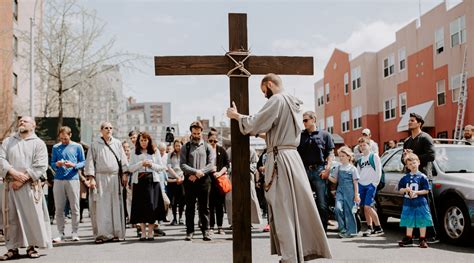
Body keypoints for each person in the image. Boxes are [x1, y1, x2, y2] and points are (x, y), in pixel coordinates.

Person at [226, 73, 332, 261]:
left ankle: (290, 256)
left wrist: (236, 116)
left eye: (264, 91)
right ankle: (296, 252)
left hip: (280, 160)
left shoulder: (277, 99)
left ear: (269, 84)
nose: (264, 95)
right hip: (292, 158)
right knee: (294, 208)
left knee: (282, 208)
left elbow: (256, 122)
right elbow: (275, 132)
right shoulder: (294, 103)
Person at [0, 116, 52, 260]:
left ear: (33, 125)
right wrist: (13, 173)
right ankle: (12, 248)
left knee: (32, 217)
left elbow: (41, 164)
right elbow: (1, 158)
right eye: (20, 121)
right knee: (11, 218)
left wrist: (23, 179)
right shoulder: (8, 141)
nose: (21, 122)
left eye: (25, 121)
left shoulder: (38, 143)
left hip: (29, 186)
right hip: (10, 185)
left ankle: (32, 246)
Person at [84, 121, 128, 244]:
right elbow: (90, 161)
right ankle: (102, 234)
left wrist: (124, 174)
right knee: (101, 207)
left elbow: (123, 160)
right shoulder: (94, 144)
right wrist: (91, 178)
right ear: (101, 130)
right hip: (100, 178)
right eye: (106, 128)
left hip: (115, 178)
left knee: (115, 205)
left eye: (110, 128)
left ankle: (116, 233)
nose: (109, 130)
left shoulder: (117, 143)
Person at [401, 112, 438, 243]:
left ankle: (430, 235)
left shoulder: (426, 137)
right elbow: (403, 160)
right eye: (409, 120)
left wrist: (414, 157)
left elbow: (431, 156)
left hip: (423, 177)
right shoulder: (407, 141)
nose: (409, 122)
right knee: (411, 208)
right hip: (410, 179)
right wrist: (406, 157)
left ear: (419, 123)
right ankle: (414, 235)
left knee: (425, 208)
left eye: (412, 120)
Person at [297, 110, 334, 232]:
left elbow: (330, 153)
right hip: (304, 172)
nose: (304, 123)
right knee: (302, 202)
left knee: (322, 203)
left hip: (319, 171)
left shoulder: (325, 135)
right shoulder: (300, 136)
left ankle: (322, 231)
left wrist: (327, 169)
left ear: (313, 120)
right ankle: (305, 231)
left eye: (306, 120)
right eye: (303, 120)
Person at [129, 132, 167, 241]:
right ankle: (143, 232)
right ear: (138, 141)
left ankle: (151, 232)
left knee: (151, 206)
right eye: (141, 140)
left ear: (149, 141)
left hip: (152, 181)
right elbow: (130, 168)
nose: (143, 143)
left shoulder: (155, 152)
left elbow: (161, 167)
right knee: (140, 207)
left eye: (145, 140)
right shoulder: (134, 152)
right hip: (139, 181)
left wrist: (151, 164)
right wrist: (141, 163)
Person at [50, 126, 86, 243]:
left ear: (70, 135)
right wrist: (57, 164)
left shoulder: (77, 146)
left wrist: (74, 165)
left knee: (75, 207)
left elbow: (83, 162)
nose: (63, 141)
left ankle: (75, 232)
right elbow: (52, 163)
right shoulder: (56, 147)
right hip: (58, 179)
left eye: (65, 138)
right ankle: (60, 233)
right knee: (59, 208)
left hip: (73, 179)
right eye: (61, 138)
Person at [180, 121, 214, 241]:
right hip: (190, 181)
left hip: (204, 180)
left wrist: (200, 173)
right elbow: (183, 165)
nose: (196, 135)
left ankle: (206, 231)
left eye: (198, 133)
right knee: (189, 207)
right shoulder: (186, 147)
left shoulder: (207, 146)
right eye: (194, 133)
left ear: (202, 132)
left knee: (204, 207)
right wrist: (194, 172)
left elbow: (211, 164)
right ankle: (190, 232)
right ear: (191, 132)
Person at [398, 153, 433, 248]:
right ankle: (409, 238)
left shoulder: (423, 177)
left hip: (420, 203)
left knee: (422, 220)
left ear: (419, 162)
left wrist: (416, 192)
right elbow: (400, 190)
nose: (412, 165)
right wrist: (405, 190)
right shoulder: (405, 178)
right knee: (409, 220)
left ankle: (422, 239)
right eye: (410, 164)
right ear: (407, 166)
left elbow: (426, 190)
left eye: (414, 163)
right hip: (408, 203)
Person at [225, 147, 263, 227]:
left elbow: (254, 163)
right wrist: (234, 168)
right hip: (234, 176)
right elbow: (227, 162)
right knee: (231, 198)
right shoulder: (230, 149)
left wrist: (246, 168)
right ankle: (233, 221)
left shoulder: (250, 149)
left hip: (247, 175)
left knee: (250, 198)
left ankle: (250, 221)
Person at [328, 146, 360, 238]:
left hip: (350, 192)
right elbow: (335, 181)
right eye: (340, 156)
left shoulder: (353, 169)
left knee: (349, 211)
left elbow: (355, 183)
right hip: (340, 191)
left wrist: (356, 195)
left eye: (343, 156)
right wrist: (327, 176)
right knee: (338, 209)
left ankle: (351, 231)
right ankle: (342, 229)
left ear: (349, 157)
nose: (341, 158)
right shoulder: (338, 168)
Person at [356, 137, 384, 237]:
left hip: (371, 185)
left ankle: (378, 227)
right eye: (360, 146)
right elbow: (358, 173)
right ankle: (369, 227)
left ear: (369, 146)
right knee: (365, 207)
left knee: (368, 206)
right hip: (361, 185)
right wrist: (358, 184)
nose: (362, 147)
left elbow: (378, 171)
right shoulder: (360, 160)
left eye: (364, 145)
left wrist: (374, 183)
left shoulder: (374, 156)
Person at [207, 129, 230, 235]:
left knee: (220, 204)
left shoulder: (221, 150)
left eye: (215, 141)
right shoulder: (205, 150)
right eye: (211, 141)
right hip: (209, 179)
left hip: (219, 179)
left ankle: (220, 227)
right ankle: (211, 226)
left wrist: (220, 172)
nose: (213, 143)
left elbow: (227, 164)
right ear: (208, 140)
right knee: (210, 204)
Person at [167, 139, 186, 225]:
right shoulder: (170, 155)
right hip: (173, 179)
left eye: (179, 145)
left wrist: (181, 177)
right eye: (176, 145)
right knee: (173, 200)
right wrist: (177, 177)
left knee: (182, 199)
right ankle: (174, 218)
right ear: (174, 146)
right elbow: (169, 167)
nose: (178, 147)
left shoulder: (184, 155)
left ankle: (181, 217)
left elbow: (186, 166)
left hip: (182, 179)